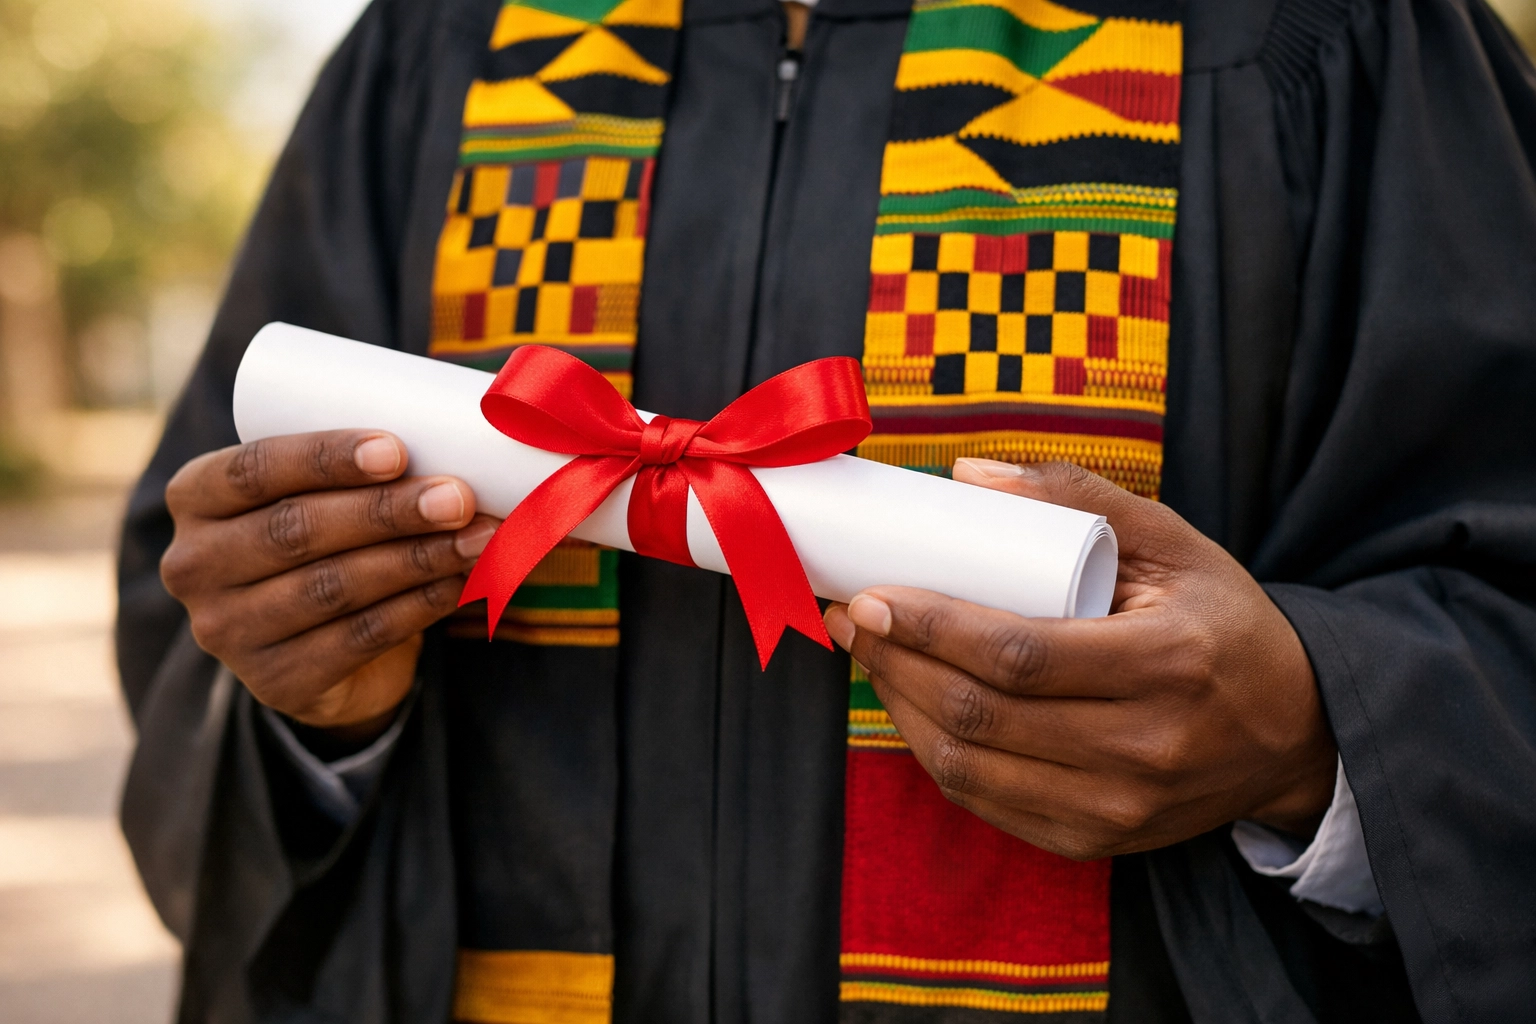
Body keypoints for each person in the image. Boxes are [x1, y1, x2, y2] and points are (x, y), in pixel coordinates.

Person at [115, 0, 1536, 1020]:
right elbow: (198, 578)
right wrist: (315, 707)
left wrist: (1310, 739)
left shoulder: (1323, 36)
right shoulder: (449, 51)